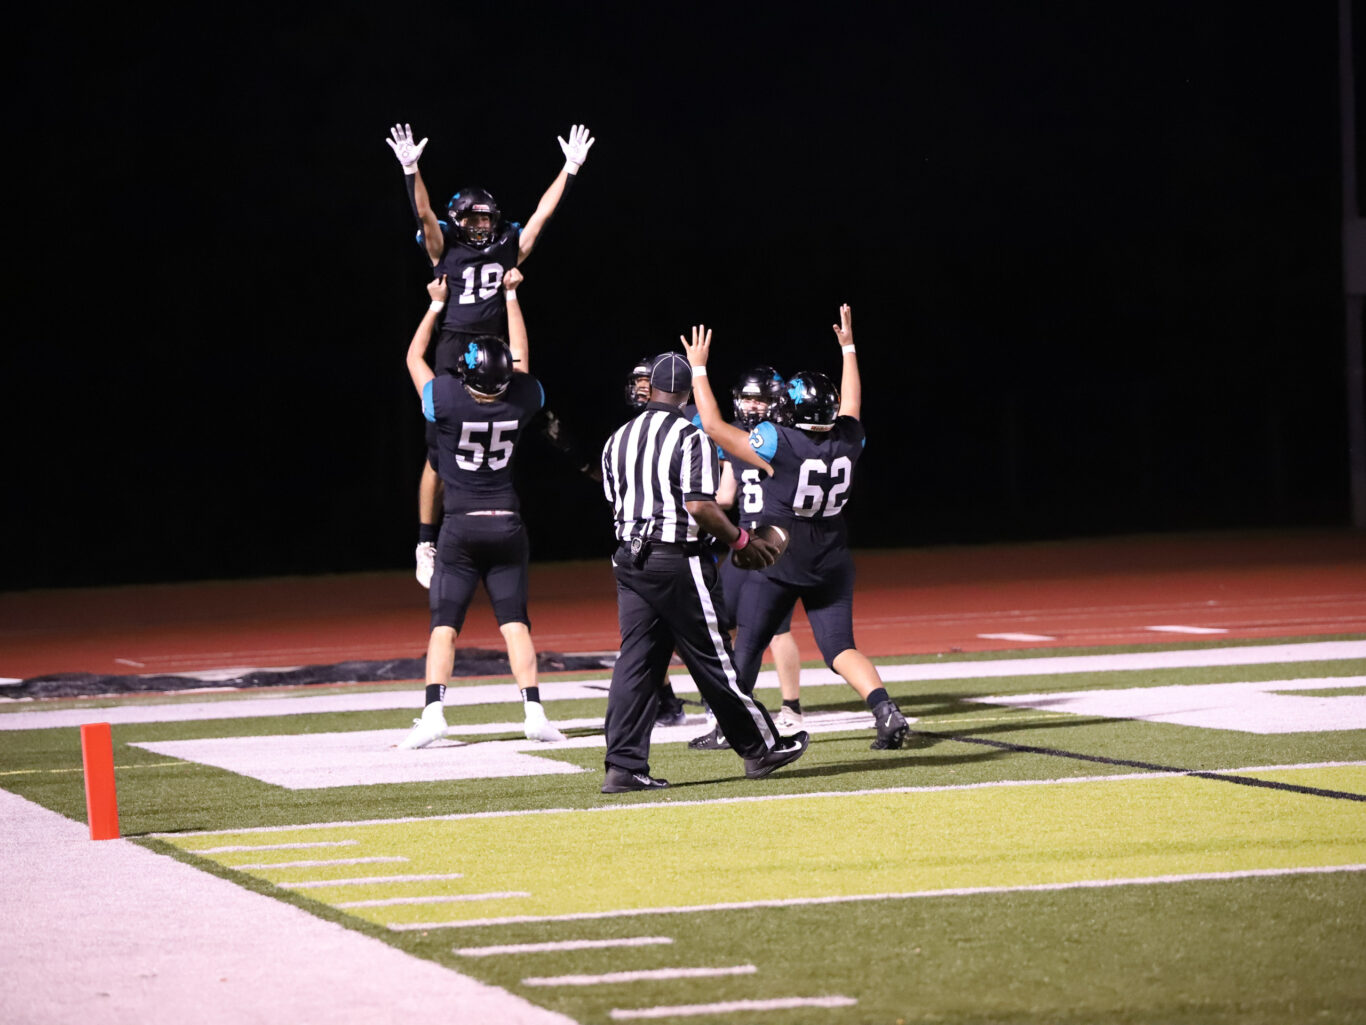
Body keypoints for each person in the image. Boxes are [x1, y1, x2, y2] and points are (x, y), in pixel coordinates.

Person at [681, 308, 914, 751]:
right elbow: (852, 404)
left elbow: (711, 425)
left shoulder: (776, 441)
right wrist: (848, 348)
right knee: (840, 648)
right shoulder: (849, 437)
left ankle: (730, 729)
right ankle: (885, 709)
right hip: (832, 555)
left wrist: (698, 368)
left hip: (781, 553)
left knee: (748, 642)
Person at [386, 122, 595, 587]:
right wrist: (410, 169)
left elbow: (541, 216)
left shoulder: (506, 246)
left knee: (512, 418)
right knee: (437, 452)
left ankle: (496, 506)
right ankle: (426, 539)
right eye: (473, 220)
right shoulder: (445, 247)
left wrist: (570, 169)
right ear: (458, 221)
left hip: (497, 349)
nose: (481, 227)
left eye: (486, 219)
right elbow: (422, 215)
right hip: (454, 344)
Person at [597, 353, 808, 792]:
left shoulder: (616, 438)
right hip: (677, 557)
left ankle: (622, 766)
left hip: (629, 559)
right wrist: (741, 541)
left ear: (649, 388)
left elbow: (615, 500)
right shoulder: (688, 434)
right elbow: (699, 504)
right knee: (714, 660)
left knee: (635, 664)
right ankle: (760, 748)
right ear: (687, 393)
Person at [398, 268, 566, 749]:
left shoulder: (446, 399)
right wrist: (512, 297)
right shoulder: (522, 398)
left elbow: (413, 356)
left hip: (461, 525)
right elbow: (522, 357)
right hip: (508, 523)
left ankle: (433, 713)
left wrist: (434, 306)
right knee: (515, 622)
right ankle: (534, 710)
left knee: (444, 625)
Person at [690, 367, 805, 746]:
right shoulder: (743, 443)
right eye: (750, 399)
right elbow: (725, 497)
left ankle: (789, 708)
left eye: (763, 400)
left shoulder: (784, 441)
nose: (755, 406)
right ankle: (732, 711)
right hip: (746, 542)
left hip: (775, 541)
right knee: (726, 622)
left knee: (777, 628)